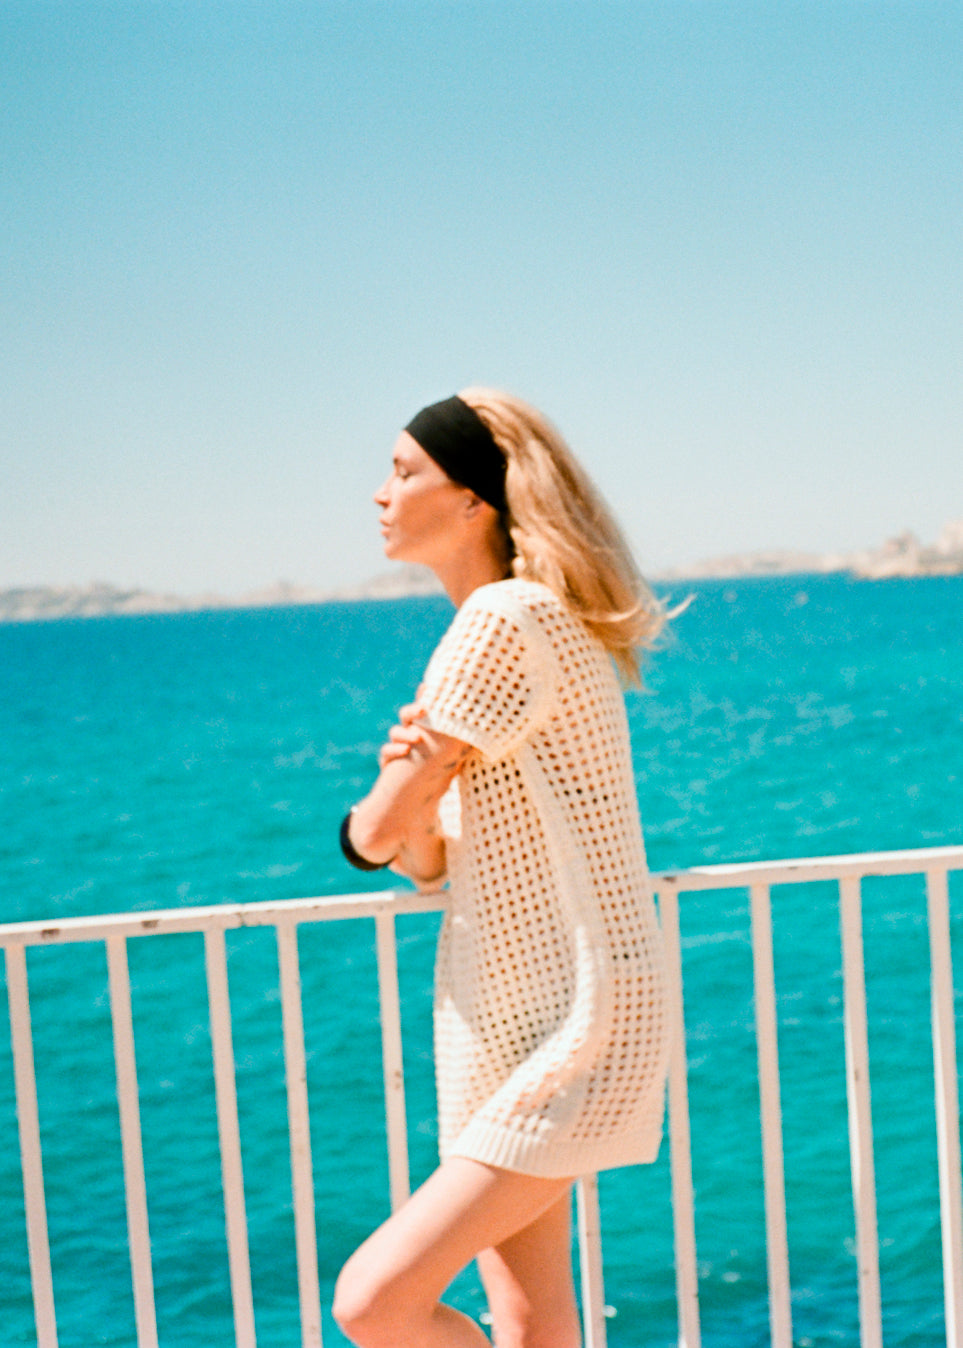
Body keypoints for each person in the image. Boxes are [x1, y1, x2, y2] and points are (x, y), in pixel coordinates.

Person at [332, 390, 671, 1348]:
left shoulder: (504, 617)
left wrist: (390, 796)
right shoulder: (516, 622)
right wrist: (415, 788)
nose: (379, 494)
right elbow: (425, 859)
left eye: (404, 472)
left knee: (373, 1302)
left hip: (574, 1023)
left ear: (474, 499)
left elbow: (371, 838)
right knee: (530, 1322)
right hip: (510, 1022)